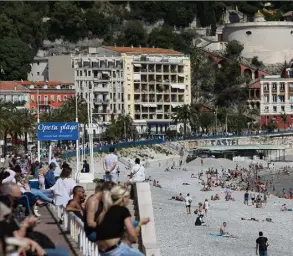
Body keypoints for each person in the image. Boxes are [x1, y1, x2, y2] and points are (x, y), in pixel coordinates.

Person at [96, 185, 150, 256]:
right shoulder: (123, 210)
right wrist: (140, 224)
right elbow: (132, 235)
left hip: (102, 250)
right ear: (123, 198)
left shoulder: (106, 210)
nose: (129, 199)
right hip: (115, 250)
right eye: (128, 197)